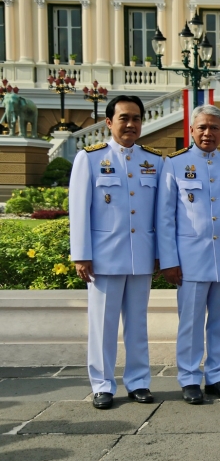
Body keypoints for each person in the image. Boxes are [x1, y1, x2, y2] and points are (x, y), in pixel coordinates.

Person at [69, 95, 163, 409]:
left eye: (136, 118)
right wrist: (81, 254)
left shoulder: (153, 161)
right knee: (103, 325)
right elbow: (79, 209)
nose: (131, 124)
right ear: (109, 122)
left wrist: (161, 253)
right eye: (124, 118)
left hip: (141, 254)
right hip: (104, 257)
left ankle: (138, 382)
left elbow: (160, 214)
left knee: (137, 323)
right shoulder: (90, 158)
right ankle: (102, 384)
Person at [156, 105, 220, 405]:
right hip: (189, 259)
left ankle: (217, 375)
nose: (208, 133)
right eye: (202, 127)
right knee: (190, 323)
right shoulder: (175, 164)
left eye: (214, 128)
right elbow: (165, 216)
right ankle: (190, 378)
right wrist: (168, 259)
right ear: (192, 131)